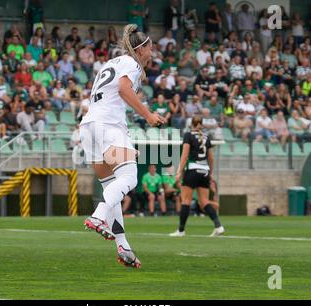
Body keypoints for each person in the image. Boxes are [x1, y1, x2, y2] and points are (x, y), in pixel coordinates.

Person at [80, 24, 165, 269]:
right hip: (108, 126)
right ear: (140, 49)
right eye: (150, 47)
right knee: (129, 177)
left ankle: (123, 246)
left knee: (112, 188)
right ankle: (97, 217)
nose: (152, 51)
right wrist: (148, 116)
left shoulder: (112, 63)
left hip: (90, 126)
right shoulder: (131, 63)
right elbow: (124, 89)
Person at [170, 115, 225, 237]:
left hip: (193, 170)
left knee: (186, 201)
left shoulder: (188, 135)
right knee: (204, 201)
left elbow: (184, 155)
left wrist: (179, 172)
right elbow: (211, 158)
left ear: (191, 124)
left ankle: (181, 230)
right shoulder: (206, 137)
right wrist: (210, 173)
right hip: (204, 171)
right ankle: (218, 226)